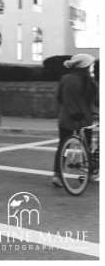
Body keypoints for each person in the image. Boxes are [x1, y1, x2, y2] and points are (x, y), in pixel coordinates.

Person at [52, 53, 99, 187]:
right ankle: (88, 174)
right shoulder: (89, 82)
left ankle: (57, 175)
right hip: (84, 120)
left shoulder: (65, 79)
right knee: (86, 147)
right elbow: (97, 101)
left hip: (66, 117)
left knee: (63, 147)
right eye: (91, 65)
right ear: (85, 66)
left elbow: (60, 98)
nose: (92, 68)